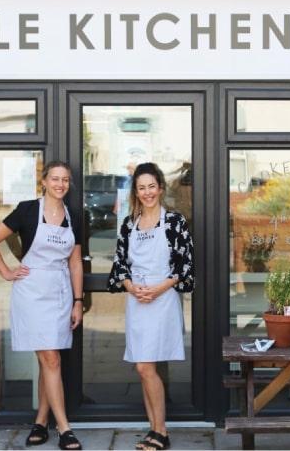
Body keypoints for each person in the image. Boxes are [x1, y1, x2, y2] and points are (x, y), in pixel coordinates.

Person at [0, 161, 83, 450]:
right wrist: (5, 272)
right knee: (51, 358)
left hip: (61, 291)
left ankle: (40, 421)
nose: (60, 184)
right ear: (44, 181)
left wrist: (78, 301)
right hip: (32, 292)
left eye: (65, 180)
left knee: (47, 360)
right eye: (55, 179)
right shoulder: (27, 209)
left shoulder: (72, 215)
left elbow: (75, 263)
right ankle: (64, 428)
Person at [107, 162, 194, 451]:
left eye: (152, 186)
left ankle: (161, 431)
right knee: (143, 367)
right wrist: (132, 287)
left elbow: (184, 266)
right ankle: (154, 429)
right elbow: (119, 264)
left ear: (161, 187)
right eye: (141, 188)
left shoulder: (174, 222)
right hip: (138, 300)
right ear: (136, 191)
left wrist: (157, 289)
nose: (147, 192)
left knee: (146, 366)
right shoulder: (129, 223)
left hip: (162, 298)